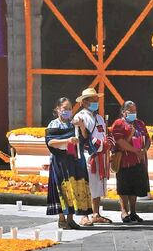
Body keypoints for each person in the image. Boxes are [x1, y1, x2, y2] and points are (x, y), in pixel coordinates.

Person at [45, 97, 93, 229]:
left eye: (70, 109)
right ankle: (62, 219)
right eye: (64, 109)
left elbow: (84, 138)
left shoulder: (74, 124)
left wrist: (82, 126)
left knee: (73, 188)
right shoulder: (54, 124)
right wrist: (67, 141)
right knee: (62, 188)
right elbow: (50, 142)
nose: (67, 111)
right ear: (58, 109)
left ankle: (71, 218)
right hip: (60, 161)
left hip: (73, 161)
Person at [73, 87, 112, 224]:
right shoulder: (79, 117)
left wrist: (107, 144)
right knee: (86, 185)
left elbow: (106, 134)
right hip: (87, 155)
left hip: (100, 155)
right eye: (92, 100)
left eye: (96, 99)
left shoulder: (100, 118)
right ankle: (84, 215)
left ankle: (96, 213)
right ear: (83, 102)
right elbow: (80, 138)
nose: (95, 102)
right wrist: (98, 144)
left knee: (97, 185)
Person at [110, 100, 150, 224]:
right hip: (124, 160)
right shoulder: (119, 124)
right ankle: (124, 211)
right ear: (123, 112)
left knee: (135, 187)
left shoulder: (140, 123)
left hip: (138, 160)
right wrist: (135, 150)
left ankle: (133, 212)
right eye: (130, 111)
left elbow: (147, 138)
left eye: (135, 111)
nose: (133, 113)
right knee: (124, 187)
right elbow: (120, 142)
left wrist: (144, 149)